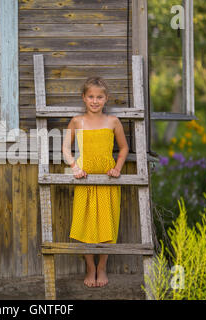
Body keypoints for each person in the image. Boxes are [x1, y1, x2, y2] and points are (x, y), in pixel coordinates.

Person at [62, 77, 129, 288]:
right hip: (85, 179)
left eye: (99, 97)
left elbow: (124, 148)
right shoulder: (77, 121)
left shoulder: (113, 122)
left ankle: (102, 266)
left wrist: (117, 168)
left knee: (108, 223)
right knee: (85, 222)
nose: (94, 101)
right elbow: (65, 148)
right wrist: (74, 167)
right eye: (90, 96)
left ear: (106, 98)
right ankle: (90, 266)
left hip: (107, 180)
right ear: (84, 98)